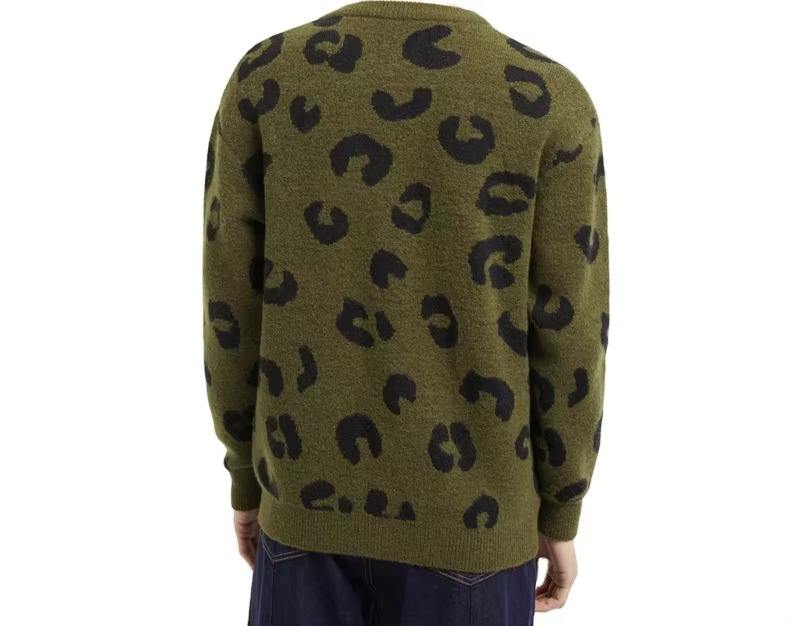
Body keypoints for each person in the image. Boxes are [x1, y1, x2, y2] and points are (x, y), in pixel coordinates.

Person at [202, 1, 609, 624]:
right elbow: (571, 331)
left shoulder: (266, 77)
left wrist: (245, 477)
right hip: (474, 523)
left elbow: (231, 300)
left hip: (303, 504)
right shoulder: (549, 100)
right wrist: (561, 508)